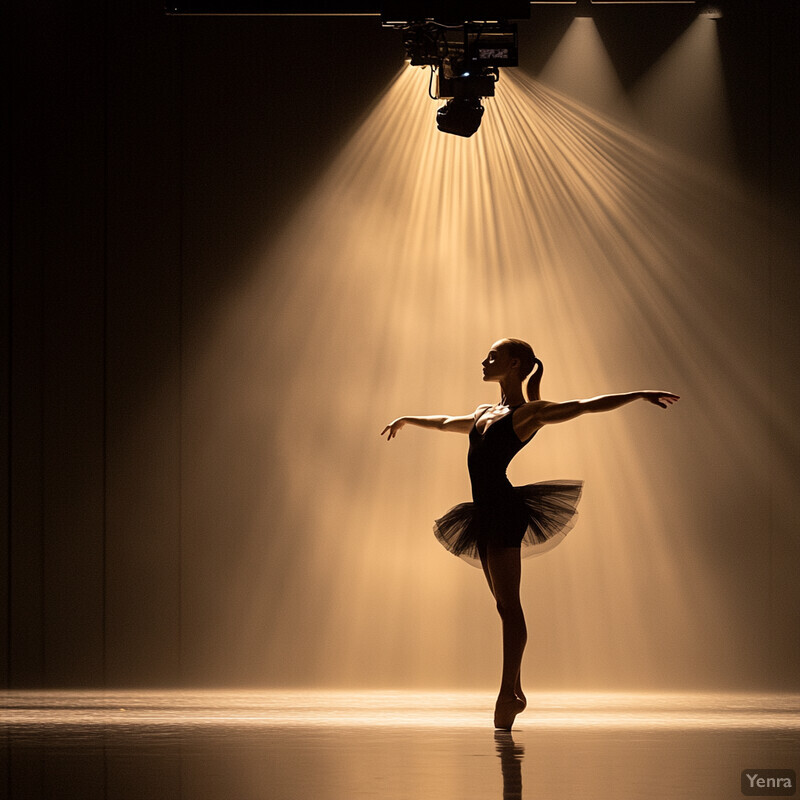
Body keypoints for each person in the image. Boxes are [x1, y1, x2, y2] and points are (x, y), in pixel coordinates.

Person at [381, 338, 679, 730]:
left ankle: (509, 693)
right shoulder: (484, 412)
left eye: (493, 357)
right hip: (484, 513)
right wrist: (407, 419)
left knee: (510, 606)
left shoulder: (528, 414)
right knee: (503, 608)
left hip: (504, 511)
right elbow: (445, 422)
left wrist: (637, 394)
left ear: (515, 363)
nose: (484, 361)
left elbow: (586, 405)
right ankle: (516, 689)